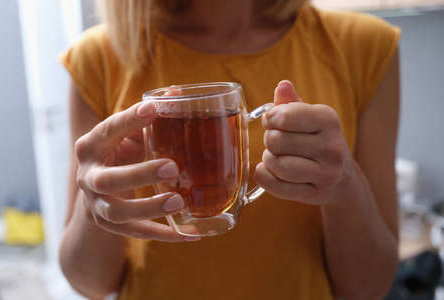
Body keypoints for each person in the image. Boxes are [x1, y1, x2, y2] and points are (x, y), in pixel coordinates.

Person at [58, 0, 401, 299]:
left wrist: (344, 186)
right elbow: (90, 285)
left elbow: (368, 287)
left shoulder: (364, 46)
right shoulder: (97, 57)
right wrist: (94, 210)